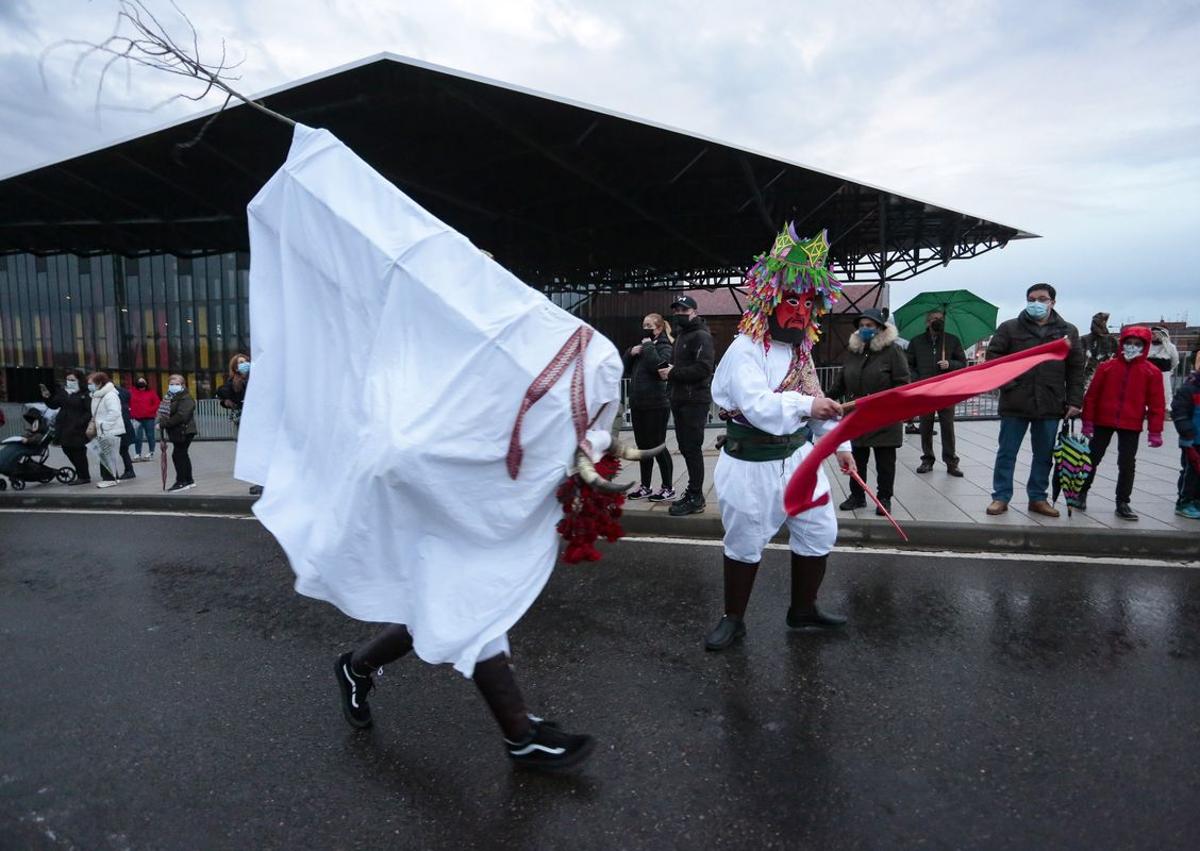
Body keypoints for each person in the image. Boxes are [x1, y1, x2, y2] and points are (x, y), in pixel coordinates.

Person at [704, 225, 855, 651]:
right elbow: (759, 408)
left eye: (809, 303)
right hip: (753, 465)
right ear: (769, 300)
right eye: (793, 301)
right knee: (747, 540)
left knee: (818, 530)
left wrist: (840, 447)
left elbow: (818, 402)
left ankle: (803, 608)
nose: (801, 312)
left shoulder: (801, 351)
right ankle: (733, 618)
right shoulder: (744, 351)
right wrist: (809, 408)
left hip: (801, 461)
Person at [985, 283, 1085, 518]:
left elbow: (1076, 368)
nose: (1036, 303)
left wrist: (1074, 401)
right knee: (1007, 452)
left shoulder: (1067, 331)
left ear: (1052, 302)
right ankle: (1001, 496)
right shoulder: (1010, 328)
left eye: (1042, 299)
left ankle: (1038, 497)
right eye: (1032, 299)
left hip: (1050, 402)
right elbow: (993, 359)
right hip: (1015, 402)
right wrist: (1009, 385)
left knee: (1044, 454)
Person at [1077, 327, 1165, 521]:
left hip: (1131, 423)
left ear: (1144, 346)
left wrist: (1155, 431)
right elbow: (1092, 396)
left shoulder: (1151, 372)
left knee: (1126, 464)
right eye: (1129, 343)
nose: (1132, 347)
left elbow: (1157, 403)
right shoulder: (1107, 367)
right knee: (1092, 458)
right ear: (1122, 344)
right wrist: (1088, 421)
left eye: (1137, 344)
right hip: (1103, 420)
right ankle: (1081, 493)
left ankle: (1123, 502)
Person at [829, 308, 910, 515]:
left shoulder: (893, 351)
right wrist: (823, 400)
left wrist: (889, 402)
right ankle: (857, 496)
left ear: (880, 328)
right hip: (856, 417)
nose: (864, 329)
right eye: (862, 326)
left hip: (884, 417)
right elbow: (841, 382)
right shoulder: (853, 352)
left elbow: (903, 383)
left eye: (869, 326)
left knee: (885, 463)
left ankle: (884, 498)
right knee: (857, 459)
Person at [661, 295, 715, 516]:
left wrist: (673, 372)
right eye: (676, 310)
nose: (679, 314)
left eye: (684, 310)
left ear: (694, 311)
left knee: (692, 449)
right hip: (681, 398)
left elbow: (703, 369)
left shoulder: (701, 336)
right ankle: (693, 492)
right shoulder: (682, 335)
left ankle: (696, 496)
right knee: (686, 448)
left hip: (694, 400)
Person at [906, 309, 966, 476]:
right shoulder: (916, 342)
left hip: (946, 389)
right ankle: (927, 459)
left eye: (940, 318)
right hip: (925, 390)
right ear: (927, 321)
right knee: (926, 425)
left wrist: (950, 364)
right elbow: (908, 365)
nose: (937, 321)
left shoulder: (952, 341)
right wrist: (918, 380)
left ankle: (951, 461)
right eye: (934, 318)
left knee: (948, 426)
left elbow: (963, 363)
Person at [624, 313, 675, 502]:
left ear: (659, 328)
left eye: (649, 326)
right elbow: (625, 367)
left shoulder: (664, 347)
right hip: (639, 404)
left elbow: (660, 367)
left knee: (657, 445)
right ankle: (645, 486)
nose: (645, 328)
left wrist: (647, 347)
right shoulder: (642, 347)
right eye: (643, 324)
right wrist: (630, 352)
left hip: (657, 404)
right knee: (643, 448)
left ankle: (668, 487)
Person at [217, 353, 262, 495]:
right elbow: (223, 391)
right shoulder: (234, 380)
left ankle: (264, 481)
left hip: (256, 416)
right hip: (242, 417)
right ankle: (259, 480)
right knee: (251, 449)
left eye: (245, 362)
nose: (242, 364)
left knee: (260, 448)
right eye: (239, 363)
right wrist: (225, 401)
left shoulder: (256, 377)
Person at [41, 370, 92, 485]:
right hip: (64, 426)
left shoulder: (85, 393)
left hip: (78, 428)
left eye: (72, 380)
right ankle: (81, 474)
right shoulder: (64, 392)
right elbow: (54, 405)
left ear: (79, 380)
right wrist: (47, 398)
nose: (70, 382)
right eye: (68, 380)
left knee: (79, 452)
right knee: (67, 449)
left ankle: (84, 476)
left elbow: (89, 411)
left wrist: (80, 422)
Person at [1170, 349, 1200, 519]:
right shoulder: (1190, 388)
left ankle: (1196, 500)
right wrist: (1186, 431)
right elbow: (1179, 411)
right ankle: (1185, 501)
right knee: (1191, 472)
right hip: (1193, 440)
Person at [157, 374, 198, 492]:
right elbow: (163, 412)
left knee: (178, 455)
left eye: (177, 384)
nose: (174, 386)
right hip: (177, 431)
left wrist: (164, 424)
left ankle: (181, 481)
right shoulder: (170, 397)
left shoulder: (185, 398)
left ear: (183, 385)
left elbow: (181, 416)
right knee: (182, 454)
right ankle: (189, 480)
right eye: (171, 384)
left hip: (184, 430)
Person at [87, 372, 126, 488]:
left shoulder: (109, 395)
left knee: (105, 455)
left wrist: (104, 425)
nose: (89, 386)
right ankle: (115, 477)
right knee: (106, 454)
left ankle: (109, 479)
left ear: (99, 383)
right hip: (104, 430)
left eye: (91, 383)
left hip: (110, 430)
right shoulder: (97, 395)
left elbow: (115, 412)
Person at [0, 407, 48, 476]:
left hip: (31, 447)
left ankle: (7, 466)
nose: (32, 425)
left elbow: (37, 439)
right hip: (27, 446)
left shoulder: (40, 432)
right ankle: (4, 463)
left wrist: (28, 440)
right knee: (10, 448)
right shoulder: (33, 432)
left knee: (13, 451)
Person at [129, 376, 161, 461]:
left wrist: (150, 410)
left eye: (143, 381)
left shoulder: (151, 392)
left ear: (146, 383)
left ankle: (151, 452)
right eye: (139, 381)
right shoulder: (132, 392)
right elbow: (128, 402)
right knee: (137, 437)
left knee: (150, 436)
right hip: (136, 418)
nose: (141, 383)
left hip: (149, 418)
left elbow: (157, 403)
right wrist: (130, 411)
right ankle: (137, 454)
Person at [1081, 311, 1117, 386]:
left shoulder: (1111, 340)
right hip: (1087, 378)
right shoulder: (1085, 339)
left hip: (1105, 377)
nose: (1102, 323)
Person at [1148, 326, 1180, 408]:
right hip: (1149, 373)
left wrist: (1169, 370)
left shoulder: (1170, 347)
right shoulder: (1147, 346)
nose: (1152, 336)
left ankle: (1167, 407)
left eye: (1154, 334)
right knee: (1148, 390)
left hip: (1164, 372)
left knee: (1165, 390)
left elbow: (1175, 360)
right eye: (1151, 334)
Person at [115, 380, 136, 480]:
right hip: (125, 427)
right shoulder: (123, 393)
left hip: (119, 428)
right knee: (123, 451)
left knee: (120, 451)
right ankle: (129, 470)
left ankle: (127, 470)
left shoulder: (113, 396)